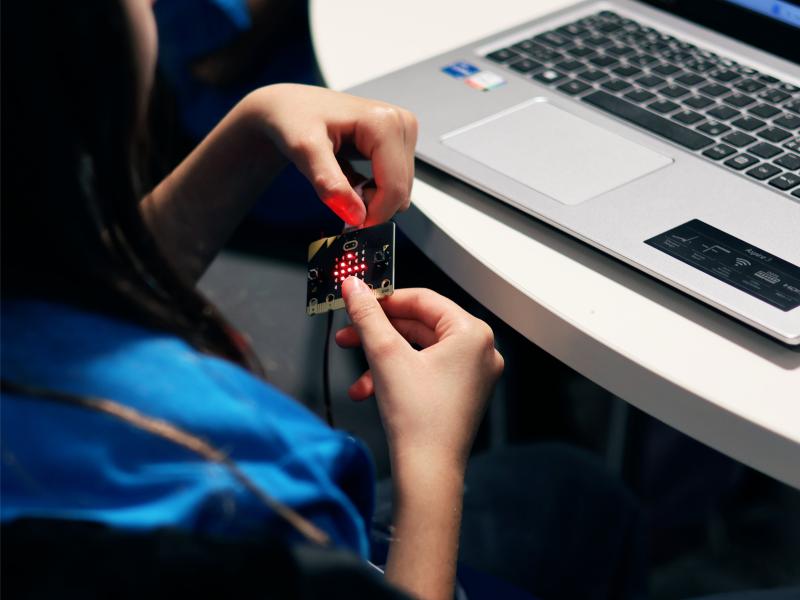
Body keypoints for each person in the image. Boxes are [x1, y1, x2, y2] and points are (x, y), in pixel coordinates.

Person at [1, 1, 503, 599]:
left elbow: (65, 300)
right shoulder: (259, 476)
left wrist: (252, 126)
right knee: (574, 493)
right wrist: (431, 461)